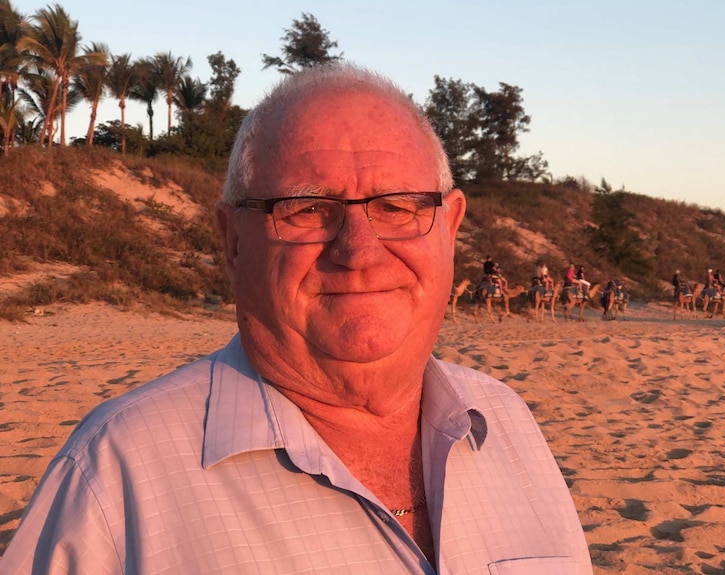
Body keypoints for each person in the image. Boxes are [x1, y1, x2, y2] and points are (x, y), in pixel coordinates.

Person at [0, 64, 592, 574]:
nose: (359, 251)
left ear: (451, 227)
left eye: (397, 207)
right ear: (232, 240)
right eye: (307, 209)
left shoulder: (508, 426)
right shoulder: (115, 474)